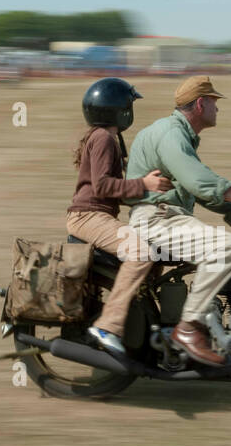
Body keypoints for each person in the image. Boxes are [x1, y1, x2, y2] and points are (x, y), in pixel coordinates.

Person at [123, 75, 231, 366]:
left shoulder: (178, 136)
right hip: (158, 221)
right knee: (230, 248)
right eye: (214, 103)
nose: (217, 109)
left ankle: (212, 323)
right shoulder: (171, 134)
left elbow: (197, 189)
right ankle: (189, 327)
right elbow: (200, 182)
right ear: (200, 103)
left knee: (228, 249)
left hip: (167, 218)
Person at [66, 77, 171, 355]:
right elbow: (102, 186)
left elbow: (116, 190)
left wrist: (156, 197)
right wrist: (145, 185)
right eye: (128, 104)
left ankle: (148, 324)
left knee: (156, 250)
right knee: (140, 253)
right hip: (88, 217)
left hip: (96, 215)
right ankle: (108, 326)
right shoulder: (104, 139)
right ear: (117, 109)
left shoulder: (107, 138)